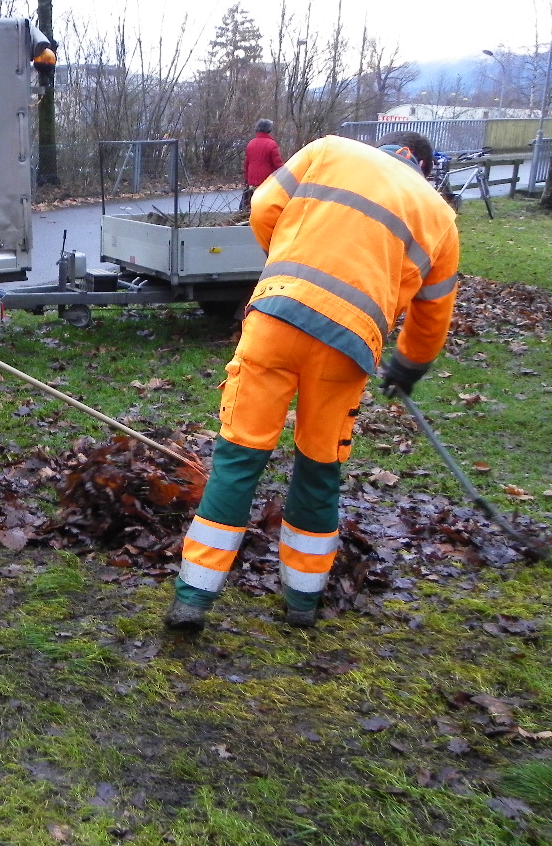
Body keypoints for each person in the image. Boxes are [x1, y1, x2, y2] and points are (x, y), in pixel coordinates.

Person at [165, 130, 459, 631]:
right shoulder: (440, 217)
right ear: (425, 168)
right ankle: (302, 601)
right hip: (349, 345)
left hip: (275, 318)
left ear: (382, 147)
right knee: (320, 467)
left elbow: (264, 207)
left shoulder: (330, 151)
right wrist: (410, 365)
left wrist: (286, 266)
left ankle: (193, 597)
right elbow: (432, 313)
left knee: (238, 457)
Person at [241, 118, 283, 208]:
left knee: (253, 205)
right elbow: (278, 165)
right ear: (269, 129)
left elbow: (246, 164)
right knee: (265, 205)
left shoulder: (251, 143)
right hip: (266, 181)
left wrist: (247, 180)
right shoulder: (272, 144)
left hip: (252, 181)